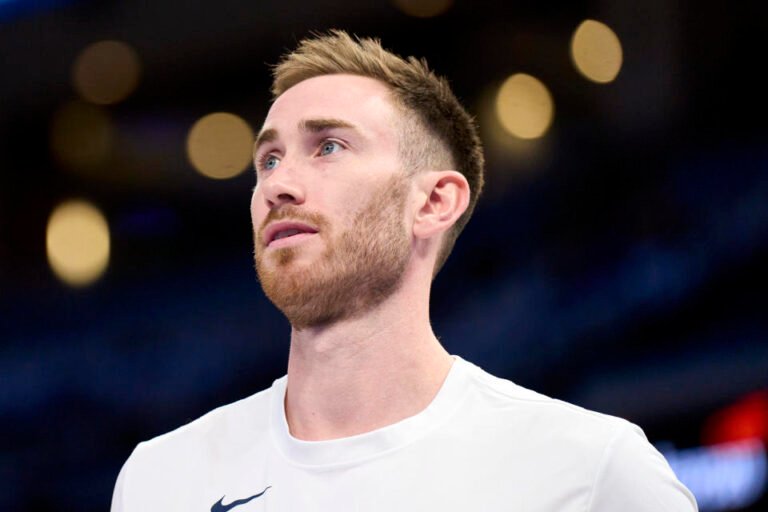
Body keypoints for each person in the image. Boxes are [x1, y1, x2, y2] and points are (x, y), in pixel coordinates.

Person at [111, 30, 697, 511]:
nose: (278, 185)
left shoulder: (591, 470)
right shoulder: (161, 479)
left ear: (434, 202)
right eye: (269, 158)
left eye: (329, 147)